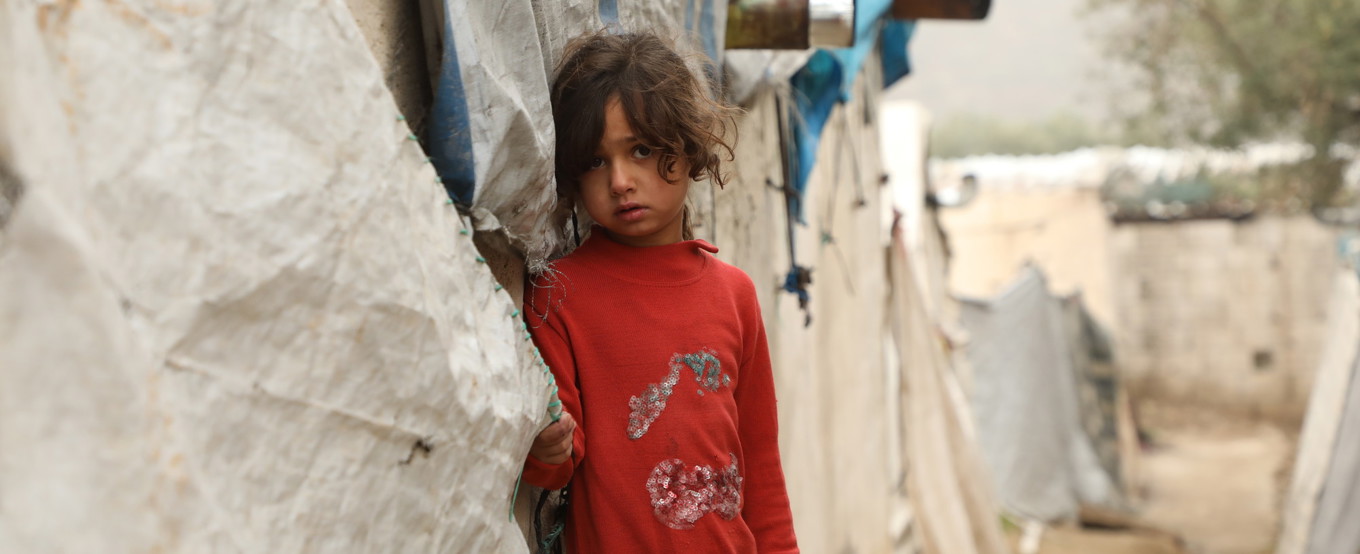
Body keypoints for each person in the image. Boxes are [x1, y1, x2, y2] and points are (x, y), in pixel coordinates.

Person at [520, 31, 800, 553]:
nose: (621, 180)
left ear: (688, 146)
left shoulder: (734, 296)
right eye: (596, 163)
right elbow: (551, 472)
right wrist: (546, 444)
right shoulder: (558, 296)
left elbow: (760, 465)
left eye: (642, 150)